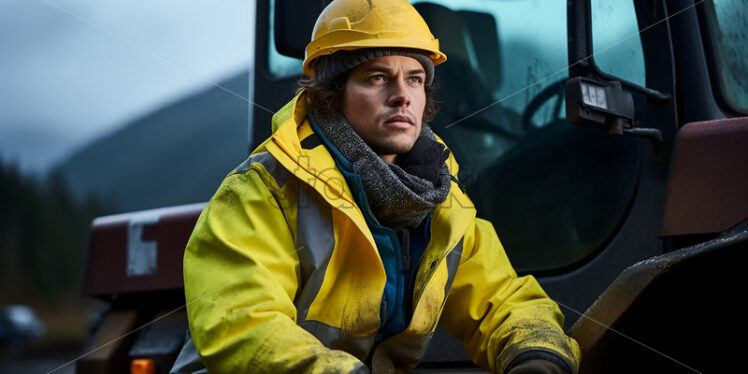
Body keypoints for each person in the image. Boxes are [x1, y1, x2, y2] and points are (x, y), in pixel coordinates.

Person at [172, 0, 580, 373]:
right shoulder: (259, 191)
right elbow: (243, 323)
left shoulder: (439, 199)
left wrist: (536, 356)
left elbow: (504, 300)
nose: (402, 96)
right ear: (332, 96)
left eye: (416, 79)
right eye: (378, 77)